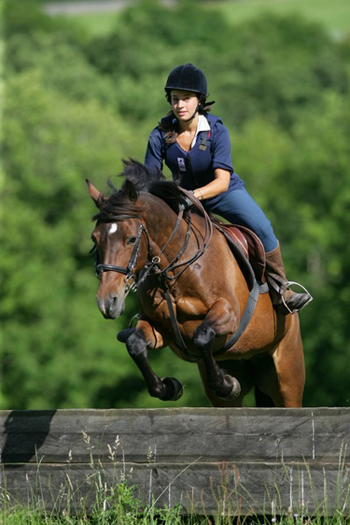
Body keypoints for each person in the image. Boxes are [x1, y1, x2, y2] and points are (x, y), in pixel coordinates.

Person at [144, 63, 312, 315]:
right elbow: (150, 180)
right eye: (175, 99)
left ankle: (281, 290)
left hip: (223, 194)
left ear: (199, 100)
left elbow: (222, 181)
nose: (180, 105)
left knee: (264, 227)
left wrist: (192, 196)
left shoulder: (216, 132)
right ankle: (146, 306)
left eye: (186, 99)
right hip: (183, 199)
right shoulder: (159, 135)